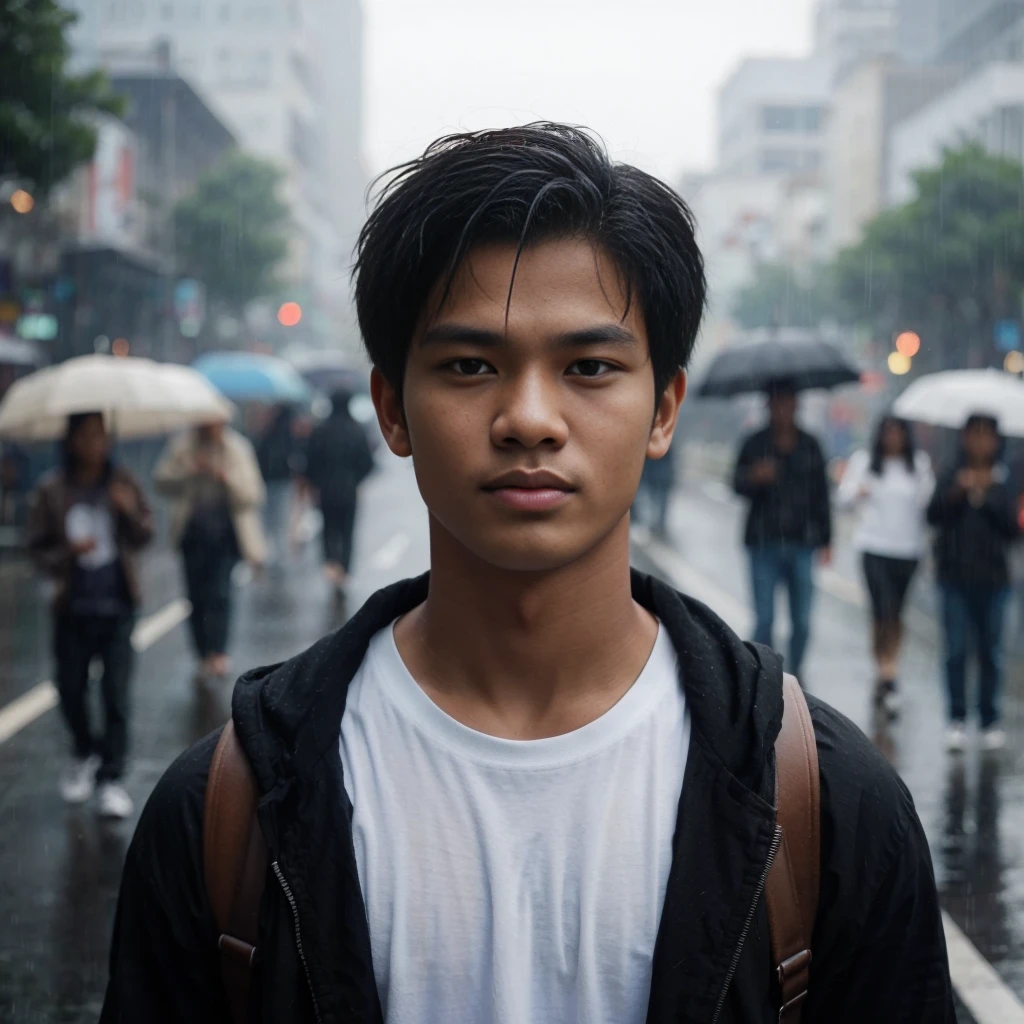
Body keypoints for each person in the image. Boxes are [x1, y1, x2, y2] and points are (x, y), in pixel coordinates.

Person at [101, 125, 953, 1023]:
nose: (530, 419)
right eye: (471, 366)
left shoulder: (829, 811)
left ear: (664, 408)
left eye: (589, 367)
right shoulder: (223, 816)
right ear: (393, 407)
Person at [27, 412, 153, 818]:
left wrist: (128, 510)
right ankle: (85, 752)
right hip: (73, 609)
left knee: (116, 695)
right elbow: (37, 550)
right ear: (72, 440)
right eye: (86, 435)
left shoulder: (123, 481)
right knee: (70, 689)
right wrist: (68, 553)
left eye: (101, 435)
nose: (95, 443)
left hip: (118, 606)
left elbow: (145, 534)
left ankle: (111, 779)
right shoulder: (52, 489)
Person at [927, 413, 1020, 752]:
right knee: (955, 650)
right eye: (974, 434)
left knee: (991, 652)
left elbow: (1013, 528)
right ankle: (956, 717)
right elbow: (932, 515)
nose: (980, 441)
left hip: (994, 579)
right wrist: (958, 491)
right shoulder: (951, 470)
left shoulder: (1007, 477)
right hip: (954, 576)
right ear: (964, 437)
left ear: (996, 440)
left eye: (987, 435)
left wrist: (989, 495)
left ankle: (990, 719)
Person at [732, 384, 832, 678]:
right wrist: (754, 477)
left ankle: (797, 673)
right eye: (777, 404)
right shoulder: (754, 443)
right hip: (763, 542)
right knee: (764, 618)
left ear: (796, 406)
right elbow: (736, 483)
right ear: (769, 407)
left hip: (803, 542)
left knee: (802, 620)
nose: (783, 410)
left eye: (788, 404)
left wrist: (827, 538)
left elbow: (822, 496)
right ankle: (765, 677)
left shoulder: (810, 445)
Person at [154, 420, 266, 682]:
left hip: (226, 534)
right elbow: (161, 480)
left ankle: (219, 651)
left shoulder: (237, 448)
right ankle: (202, 652)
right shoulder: (182, 447)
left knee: (221, 592)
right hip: (192, 535)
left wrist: (225, 478)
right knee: (196, 596)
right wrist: (190, 471)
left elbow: (253, 494)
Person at [838, 415, 934, 715]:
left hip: (907, 550)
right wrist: (858, 492)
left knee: (896, 614)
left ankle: (886, 670)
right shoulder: (865, 462)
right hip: (874, 547)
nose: (893, 438)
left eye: (898, 432)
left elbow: (929, 504)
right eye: (888, 432)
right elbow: (843, 499)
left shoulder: (917, 465)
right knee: (882, 610)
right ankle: (888, 672)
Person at [303, 388, 375, 592]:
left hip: (325, 491)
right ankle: (344, 569)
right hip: (349, 490)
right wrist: (356, 480)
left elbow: (309, 461)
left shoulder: (320, 430)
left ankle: (331, 564)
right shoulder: (356, 430)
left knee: (328, 528)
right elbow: (368, 463)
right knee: (347, 530)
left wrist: (316, 482)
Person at [255, 404, 299, 563]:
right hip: (281, 481)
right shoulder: (287, 434)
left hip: (270, 481)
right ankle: (278, 553)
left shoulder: (268, 432)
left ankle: (271, 552)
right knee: (279, 519)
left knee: (269, 518)